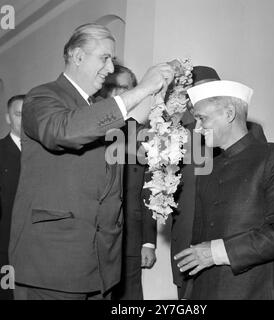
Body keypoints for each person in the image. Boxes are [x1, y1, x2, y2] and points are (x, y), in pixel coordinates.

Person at [9, 23, 174, 300]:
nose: (110, 69)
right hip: (53, 266)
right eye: (105, 58)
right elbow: (64, 131)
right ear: (77, 56)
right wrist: (142, 88)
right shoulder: (42, 96)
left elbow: (139, 146)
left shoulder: (96, 107)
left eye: (113, 60)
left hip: (101, 266)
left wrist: (162, 99)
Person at [174, 80, 274, 299]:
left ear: (229, 114)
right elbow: (201, 242)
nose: (197, 128)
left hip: (260, 288)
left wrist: (216, 252)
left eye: (202, 118)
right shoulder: (210, 168)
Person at [171, 66, 267, 299]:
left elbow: (257, 180)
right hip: (189, 229)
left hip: (234, 234)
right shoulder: (174, 132)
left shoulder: (252, 132)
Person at [97, 65, 157, 300]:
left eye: (122, 88)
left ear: (135, 91)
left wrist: (149, 243)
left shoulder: (144, 135)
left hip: (130, 241)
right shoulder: (87, 131)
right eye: (109, 87)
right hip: (93, 241)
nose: (115, 94)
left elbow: (150, 190)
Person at [0, 95, 24, 300]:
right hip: (4, 243)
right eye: (18, 114)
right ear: (8, 118)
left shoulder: (46, 154)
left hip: (37, 244)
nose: (24, 120)